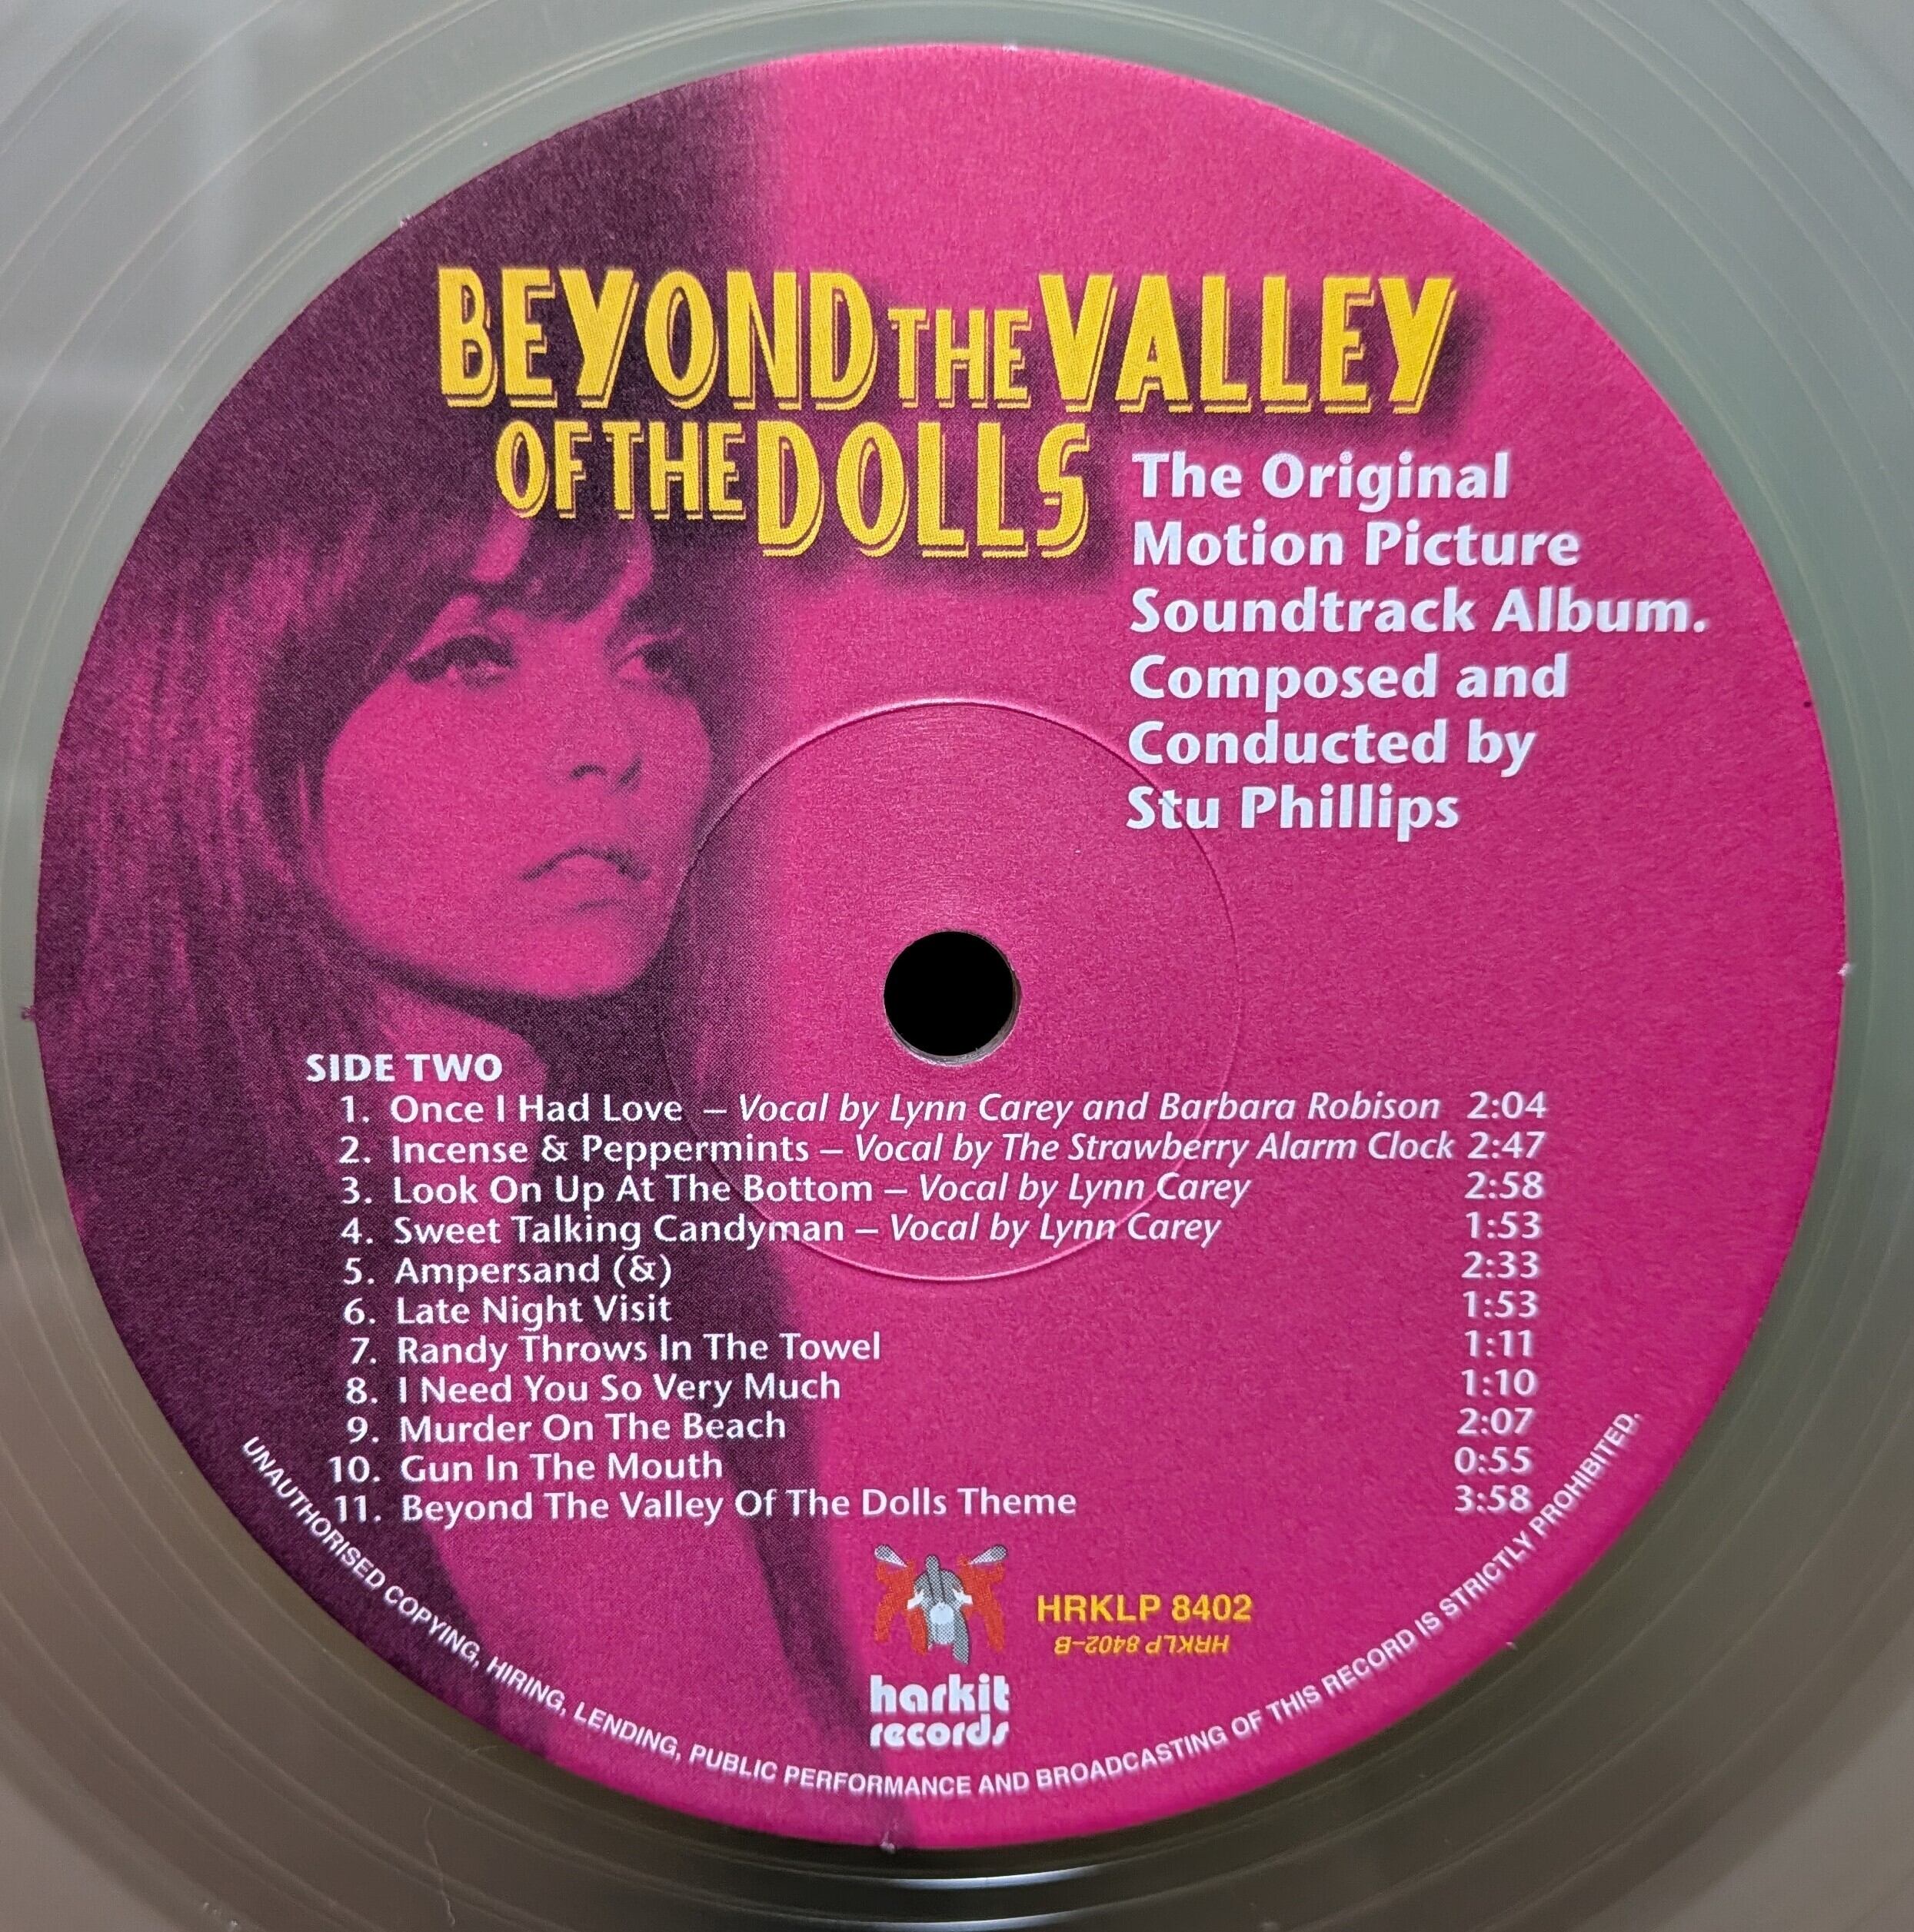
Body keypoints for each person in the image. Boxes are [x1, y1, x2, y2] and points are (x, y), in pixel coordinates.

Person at [35, 437, 867, 1773]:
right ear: (232, 731)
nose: (608, 745)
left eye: (654, 658)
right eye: (471, 658)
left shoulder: (686, 1304)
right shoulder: (111, 1321)